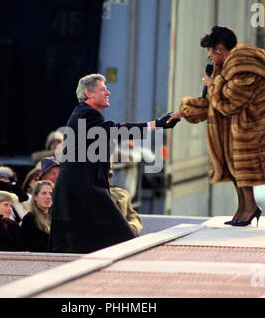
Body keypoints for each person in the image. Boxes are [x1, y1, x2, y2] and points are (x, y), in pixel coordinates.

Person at [168, 26, 265, 227]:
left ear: (220, 48)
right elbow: (214, 102)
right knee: (233, 162)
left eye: (211, 51)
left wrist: (212, 84)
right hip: (246, 120)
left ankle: (250, 208)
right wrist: (183, 112)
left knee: (242, 163)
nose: (209, 56)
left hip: (261, 122)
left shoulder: (243, 67)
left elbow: (230, 103)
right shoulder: (227, 67)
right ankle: (245, 208)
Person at [49, 73, 180, 253]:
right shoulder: (86, 114)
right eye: (103, 89)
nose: (108, 92)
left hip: (80, 190)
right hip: (82, 190)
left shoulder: (85, 114)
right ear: (89, 93)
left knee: (83, 243)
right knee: (122, 237)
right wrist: (157, 124)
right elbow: (118, 130)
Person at [108, 165, 143, 237]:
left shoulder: (121, 195)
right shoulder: (85, 198)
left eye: (110, 175)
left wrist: (133, 227)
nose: (109, 178)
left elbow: (134, 216)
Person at [22, 180, 53, 252]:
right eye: (44, 193)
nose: (48, 197)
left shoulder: (56, 217)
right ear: (35, 197)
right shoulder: (30, 218)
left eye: (51, 193)